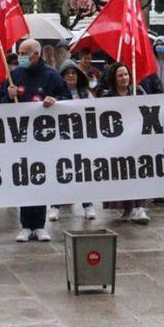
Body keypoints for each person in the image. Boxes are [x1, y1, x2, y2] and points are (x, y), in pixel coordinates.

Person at [0, 39, 69, 242]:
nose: (20, 56)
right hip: (20, 137)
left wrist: (55, 101)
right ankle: (25, 225)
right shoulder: (15, 75)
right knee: (24, 179)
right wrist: (7, 94)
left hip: (43, 138)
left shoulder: (51, 76)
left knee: (39, 178)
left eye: (25, 53)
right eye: (19, 52)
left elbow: (66, 96)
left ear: (36, 54)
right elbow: (0, 104)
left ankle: (39, 225)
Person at [102, 62, 150, 225]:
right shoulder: (107, 96)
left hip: (137, 139)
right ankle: (128, 207)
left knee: (138, 172)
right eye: (120, 75)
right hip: (118, 143)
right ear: (114, 79)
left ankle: (140, 207)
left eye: (126, 74)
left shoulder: (139, 91)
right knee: (123, 174)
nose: (124, 78)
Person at [51, 59, 96, 221]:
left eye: (73, 73)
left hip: (81, 140)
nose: (70, 76)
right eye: (67, 73)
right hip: (60, 140)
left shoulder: (86, 94)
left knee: (82, 172)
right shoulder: (55, 95)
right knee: (60, 172)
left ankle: (88, 205)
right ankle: (55, 206)